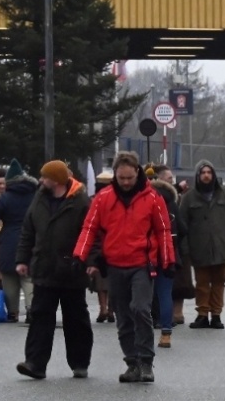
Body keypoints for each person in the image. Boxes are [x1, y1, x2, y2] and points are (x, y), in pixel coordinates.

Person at [73, 151, 175, 384]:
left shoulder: (152, 198)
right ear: (115, 176)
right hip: (115, 265)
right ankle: (132, 362)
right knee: (123, 316)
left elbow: (163, 231)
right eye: (122, 178)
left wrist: (168, 260)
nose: (126, 182)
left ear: (137, 173)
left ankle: (146, 361)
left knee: (140, 308)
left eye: (130, 178)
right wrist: (80, 256)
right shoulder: (103, 198)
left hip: (142, 263)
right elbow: (89, 228)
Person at [14, 160, 93, 380]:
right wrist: (22, 259)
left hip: (72, 270)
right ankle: (35, 364)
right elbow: (28, 231)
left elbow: (90, 234)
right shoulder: (39, 199)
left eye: (45, 177)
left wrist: (88, 262)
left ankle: (79, 362)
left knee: (76, 318)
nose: (41, 180)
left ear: (56, 180)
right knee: (40, 317)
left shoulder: (80, 202)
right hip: (44, 269)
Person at [177, 159, 225, 329]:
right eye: (203, 173)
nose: (206, 176)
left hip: (221, 248)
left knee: (219, 283)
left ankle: (216, 315)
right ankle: (202, 314)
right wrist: (184, 248)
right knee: (201, 284)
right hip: (199, 248)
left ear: (214, 175)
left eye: (209, 173)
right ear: (198, 176)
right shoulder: (188, 198)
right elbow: (182, 225)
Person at [0, 158, 38, 322]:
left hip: (8, 240)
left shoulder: (5, 198)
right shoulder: (34, 195)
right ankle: (31, 310)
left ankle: (13, 312)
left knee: (9, 277)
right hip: (30, 240)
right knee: (28, 276)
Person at [148, 164, 184, 347]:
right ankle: (166, 332)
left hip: (148, 253)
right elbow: (182, 228)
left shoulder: (146, 199)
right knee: (165, 293)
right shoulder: (171, 201)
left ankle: (144, 329)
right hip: (169, 252)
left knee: (145, 293)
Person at [91, 170, 114, 322]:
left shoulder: (94, 201)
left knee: (100, 281)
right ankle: (110, 310)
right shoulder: (115, 199)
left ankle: (103, 308)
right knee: (111, 280)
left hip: (99, 244)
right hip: (113, 244)